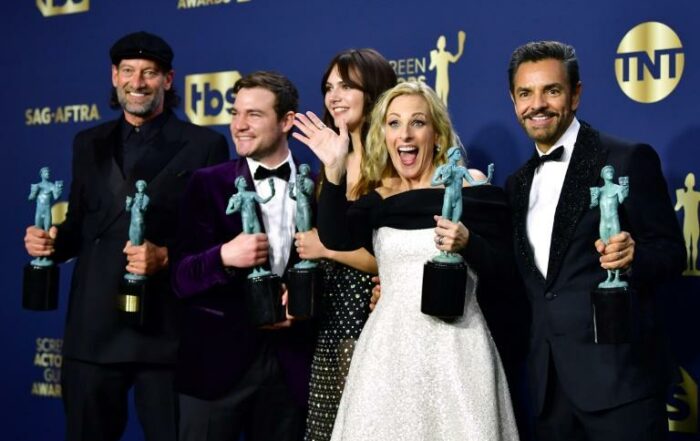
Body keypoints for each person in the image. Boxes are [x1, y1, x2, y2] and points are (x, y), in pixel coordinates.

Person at [22, 31, 229, 441]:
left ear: (168, 80)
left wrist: (165, 256)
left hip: (166, 331)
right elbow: (80, 224)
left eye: (149, 73)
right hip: (93, 329)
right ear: (114, 76)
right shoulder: (87, 142)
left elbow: (215, 240)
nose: (138, 82)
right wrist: (51, 243)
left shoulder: (204, 145)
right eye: (129, 71)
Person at [298, 80, 519, 440]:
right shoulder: (378, 199)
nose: (405, 134)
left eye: (417, 122)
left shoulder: (469, 186)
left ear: (437, 133)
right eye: (394, 123)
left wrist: (468, 242)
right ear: (384, 135)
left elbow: (507, 272)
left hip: (457, 348)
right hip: (388, 353)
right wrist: (335, 170)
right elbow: (335, 238)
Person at [504, 40, 685, 441]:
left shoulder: (625, 159)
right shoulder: (515, 185)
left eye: (551, 90)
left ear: (576, 94)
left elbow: (671, 253)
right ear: (514, 102)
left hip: (621, 385)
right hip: (548, 391)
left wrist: (634, 256)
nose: (538, 104)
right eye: (525, 93)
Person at [170, 71, 316, 441]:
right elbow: (180, 277)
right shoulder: (207, 183)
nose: (239, 125)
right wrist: (223, 256)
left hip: (290, 367)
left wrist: (303, 299)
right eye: (235, 113)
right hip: (215, 367)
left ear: (286, 121)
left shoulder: (316, 186)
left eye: (254, 114)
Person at [291, 48, 396, 440]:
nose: (334, 96)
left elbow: (395, 257)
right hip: (331, 318)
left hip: (371, 316)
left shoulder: (394, 161)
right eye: (329, 87)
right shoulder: (331, 161)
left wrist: (326, 249)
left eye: (347, 86)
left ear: (374, 91)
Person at [28, 166, 63, 266]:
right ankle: (38, 257)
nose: (48, 174)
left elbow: (56, 197)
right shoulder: (38, 186)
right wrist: (34, 191)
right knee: (38, 233)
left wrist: (58, 189)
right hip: (39, 212)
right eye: (45, 172)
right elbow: (30, 198)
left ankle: (46, 257)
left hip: (47, 211)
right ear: (41, 174)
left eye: (48, 172)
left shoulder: (51, 185)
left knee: (47, 233)